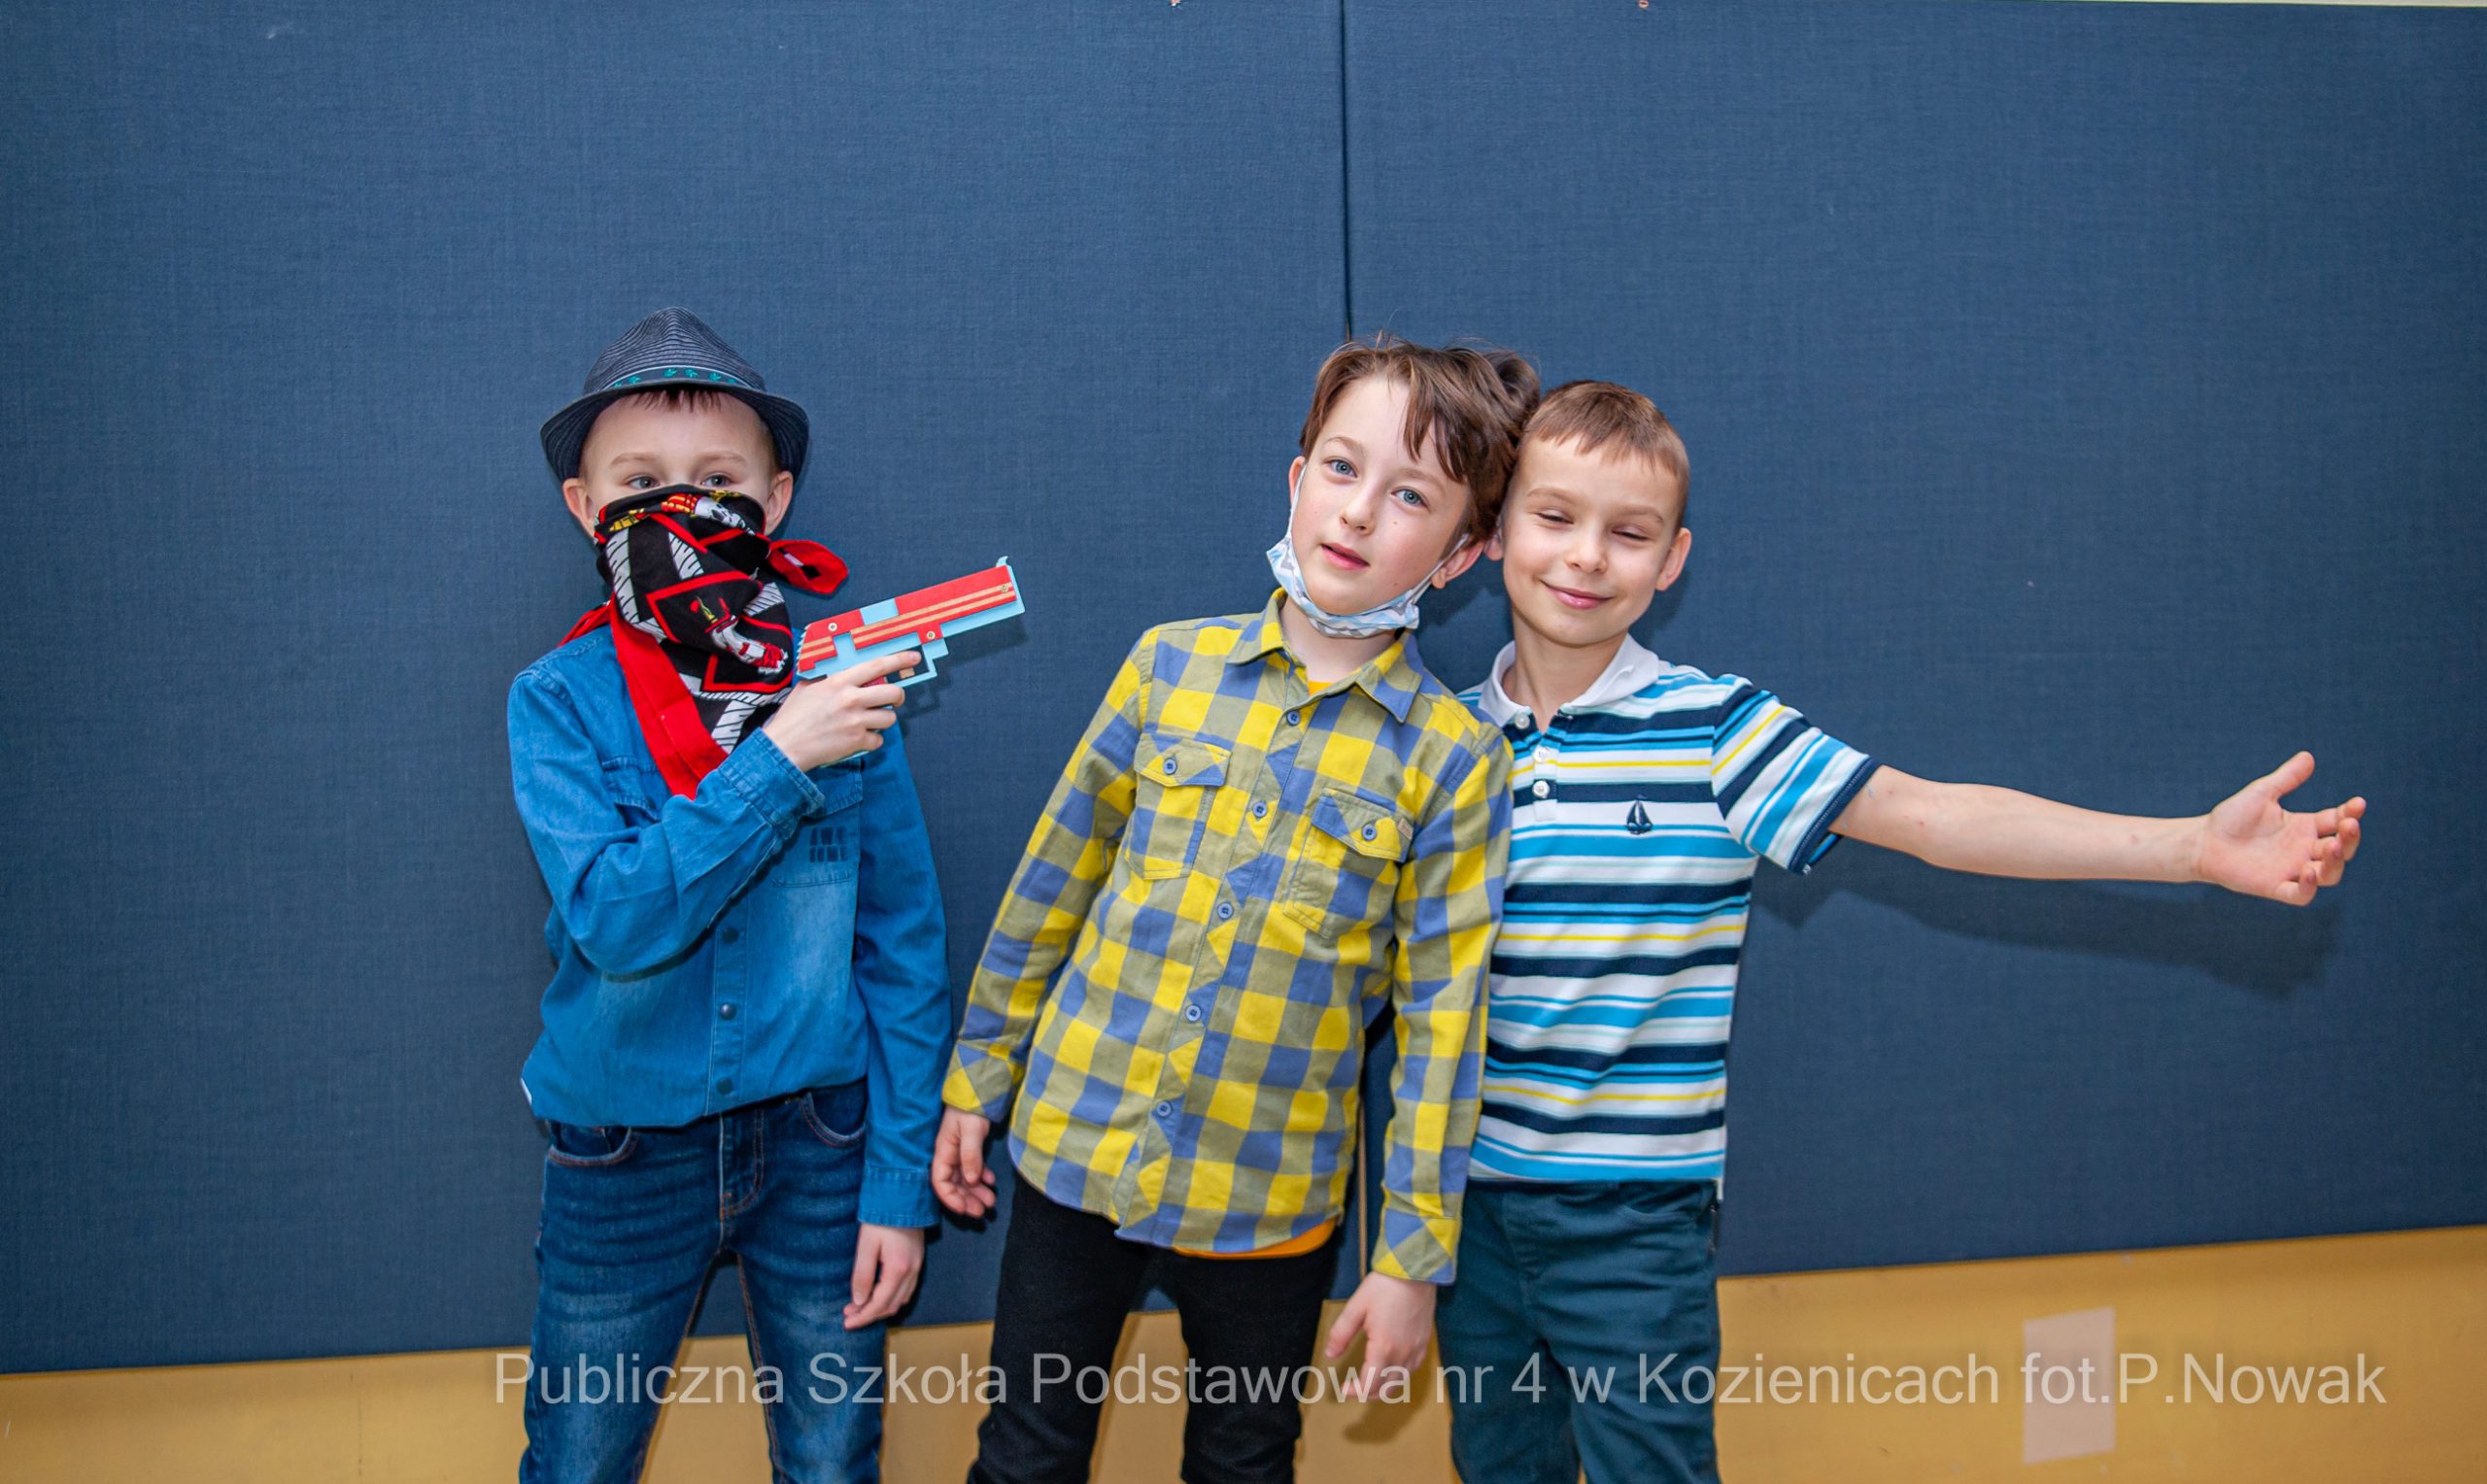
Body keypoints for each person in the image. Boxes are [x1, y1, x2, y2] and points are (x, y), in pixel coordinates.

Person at [1436, 379, 2367, 1484]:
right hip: (1464, 1211)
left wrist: (2191, 847)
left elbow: (1937, 818)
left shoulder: (1716, 731)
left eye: (1628, 533)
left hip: (1636, 1220)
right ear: (1495, 531)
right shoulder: (1446, 741)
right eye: (1555, 517)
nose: (1587, 556)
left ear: (1672, 561)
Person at [930, 334, 1536, 1483]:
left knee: (1244, 1460)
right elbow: (1051, 885)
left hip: (1271, 1196)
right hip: (1075, 1148)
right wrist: (977, 1077)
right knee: (1024, 1454)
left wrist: (1409, 1255)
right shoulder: (1167, 667)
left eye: (1411, 495)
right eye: (1341, 467)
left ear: (1463, 552)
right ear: (1297, 476)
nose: (1359, 511)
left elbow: (1444, 1022)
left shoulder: (1453, 760)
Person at [508, 307, 953, 1483]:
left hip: (821, 1146)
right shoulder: (555, 700)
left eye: (718, 482)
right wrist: (781, 755)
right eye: (640, 482)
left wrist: (897, 1184)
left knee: (831, 1459)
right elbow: (617, 921)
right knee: (578, 1459)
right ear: (585, 506)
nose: (683, 506)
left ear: (776, 499)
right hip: (620, 1152)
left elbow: (902, 945)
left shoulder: (841, 686)